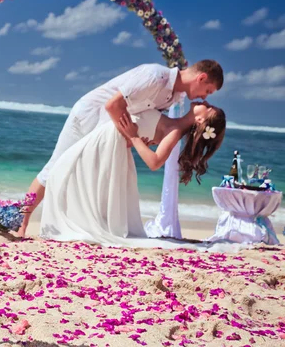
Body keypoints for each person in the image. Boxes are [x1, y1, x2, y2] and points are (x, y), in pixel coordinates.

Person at [16, 60, 224, 238]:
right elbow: (112, 106)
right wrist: (132, 137)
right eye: (208, 90)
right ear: (201, 77)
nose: (205, 98)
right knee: (54, 168)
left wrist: (139, 138)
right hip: (90, 116)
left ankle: (68, 221)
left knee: (76, 175)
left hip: (108, 132)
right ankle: (21, 222)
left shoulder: (175, 97)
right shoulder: (155, 76)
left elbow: (145, 121)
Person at [39, 102, 226, 248]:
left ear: (200, 120)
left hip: (108, 142)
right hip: (107, 141)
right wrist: (133, 139)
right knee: (64, 172)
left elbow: (155, 162)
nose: (205, 102)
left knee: (63, 172)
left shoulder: (174, 131)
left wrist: (134, 137)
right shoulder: (173, 121)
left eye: (208, 108)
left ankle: (76, 223)